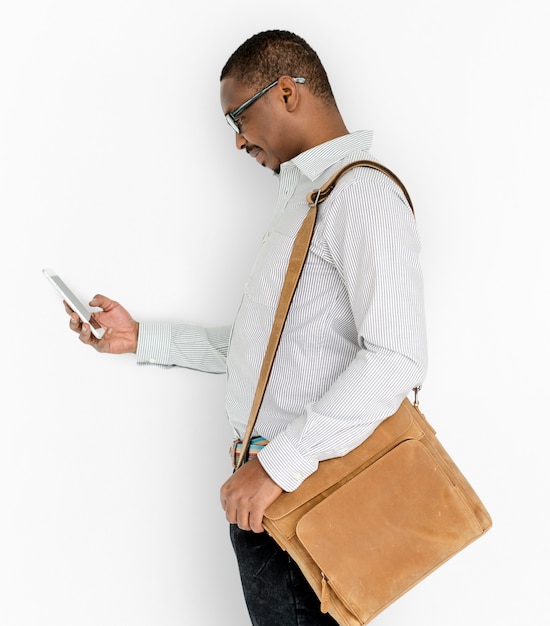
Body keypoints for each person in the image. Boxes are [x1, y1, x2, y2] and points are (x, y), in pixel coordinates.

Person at [65, 30, 427, 626]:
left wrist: (276, 466)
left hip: (302, 491)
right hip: (273, 494)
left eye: (239, 114)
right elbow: (266, 354)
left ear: (287, 92)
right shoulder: (308, 202)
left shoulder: (360, 195)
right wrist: (139, 338)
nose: (236, 139)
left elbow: (396, 359)